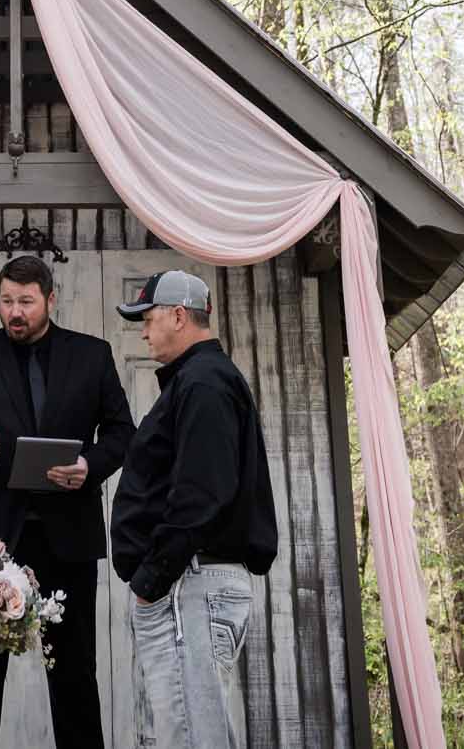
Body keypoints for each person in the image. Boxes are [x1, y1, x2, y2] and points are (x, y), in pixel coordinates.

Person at [0, 255, 135, 749]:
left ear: (49, 300)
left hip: (70, 539)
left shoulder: (93, 354)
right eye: (6, 301)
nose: (14, 312)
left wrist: (89, 465)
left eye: (25, 302)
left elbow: (124, 433)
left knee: (74, 675)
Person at [108, 270, 277, 749]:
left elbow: (201, 493)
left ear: (179, 316)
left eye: (149, 317)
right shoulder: (200, 381)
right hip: (191, 584)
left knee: (191, 737)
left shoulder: (203, 383)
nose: (143, 330)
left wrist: (151, 581)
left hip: (192, 585)